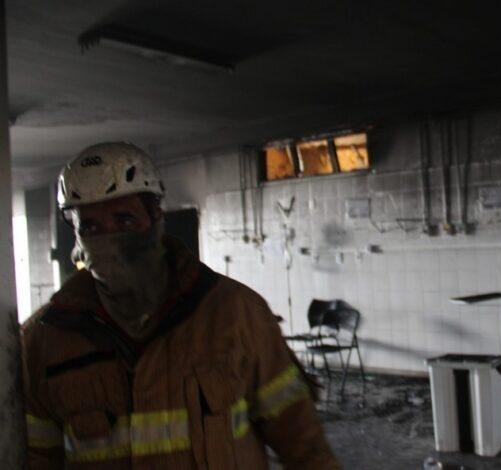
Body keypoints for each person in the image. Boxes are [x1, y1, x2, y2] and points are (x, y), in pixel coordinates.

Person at [21, 142, 339, 469]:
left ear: (156, 217)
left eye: (124, 220)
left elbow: (304, 443)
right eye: (91, 227)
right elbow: (35, 457)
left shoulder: (234, 312)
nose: (109, 239)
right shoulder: (44, 340)